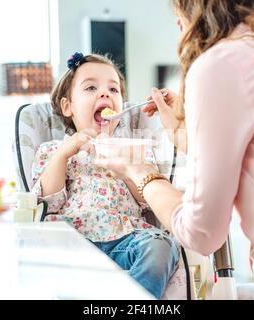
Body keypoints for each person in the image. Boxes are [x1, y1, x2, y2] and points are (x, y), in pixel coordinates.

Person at [96, 1, 254, 299]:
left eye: (178, 9)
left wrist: (139, 170)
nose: (178, 25)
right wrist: (188, 131)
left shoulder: (222, 65)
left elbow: (201, 234)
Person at [31, 52, 179, 299]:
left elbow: (149, 199)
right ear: (68, 107)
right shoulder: (53, 151)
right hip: (74, 241)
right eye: (91, 87)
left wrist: (128, 168)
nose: (105, 93)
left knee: (162, 246)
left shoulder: (135, 148)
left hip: (127, 239)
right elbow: (49, 202)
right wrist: (64, 154)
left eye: (114, 89)